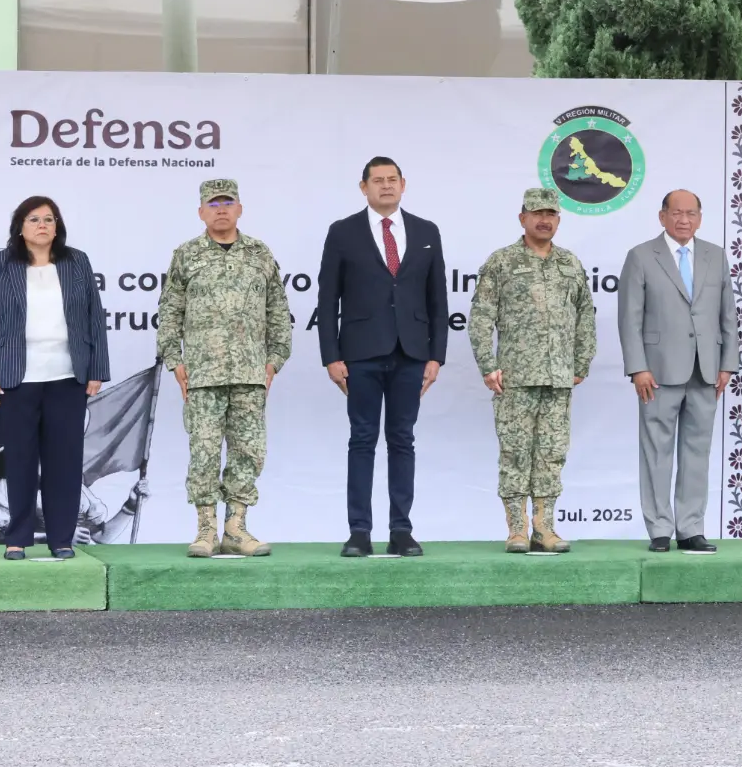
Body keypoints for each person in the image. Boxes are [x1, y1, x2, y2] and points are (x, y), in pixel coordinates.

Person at [316, 156, 448, 557]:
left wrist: (436, 356)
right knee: (362, 440)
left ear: (403, 185)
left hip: (411, 353)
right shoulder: (343, 232)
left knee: (402, 440)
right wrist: (331, 356)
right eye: (377, 180)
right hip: (360, 354)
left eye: (392, 179)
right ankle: (359, 532)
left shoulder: (426, 231)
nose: (386, 186)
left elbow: (437, 299)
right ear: (364, 188)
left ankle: (401, 530)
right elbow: (327, 298)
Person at [0, 195, 110, 560]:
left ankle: (62, 538)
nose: (42, 225)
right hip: (16, 377)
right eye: (34, 219)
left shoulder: (77, 262)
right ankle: (17, 538)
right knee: (19, 461)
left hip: (68, 376)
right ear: (20, 227)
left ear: (57, 226)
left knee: (65, 462)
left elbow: (95, 318)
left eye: (49, 219)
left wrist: (97, 369)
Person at [157, 179, 292, 558]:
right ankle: (206, 530)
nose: (221, 210)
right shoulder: (187, 255)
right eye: (213, 204)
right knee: (203, 451)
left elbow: (278, 310)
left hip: (250, 374)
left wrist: (275, 359)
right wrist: (174, 360)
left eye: (227, 203)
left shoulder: (259, 254)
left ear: (239, 209)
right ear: (201, 212)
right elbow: (170, 311)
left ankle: (236, 528)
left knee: (248, 451)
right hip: (202, 375)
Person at [469, 188, 596, 553]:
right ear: (522, 217)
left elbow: (585, 315)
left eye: (551, 214)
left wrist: (581, 362)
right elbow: (481, 317)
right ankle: (517, 530)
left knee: (551, 453)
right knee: (515, 452)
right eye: (537, 213)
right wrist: (488, 365)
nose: (544, 220)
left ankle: (544, 528)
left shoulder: (570, 263)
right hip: (515, 378)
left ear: (558, 219)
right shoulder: (502, 262)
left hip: (558, 377)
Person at [617, 189, 738, 554]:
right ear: (662, 216)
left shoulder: (715, 256)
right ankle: (659, 528)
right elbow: (629, 318)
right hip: (657, 372)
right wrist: (638, 367)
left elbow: (727, 315)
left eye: (691, 213)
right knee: (657, 451)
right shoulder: (641, 256)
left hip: (706, 370)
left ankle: (691, 529)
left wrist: (727, 363)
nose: (684, 220)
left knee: (697, 452)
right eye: (676, 213)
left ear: (699, 218)